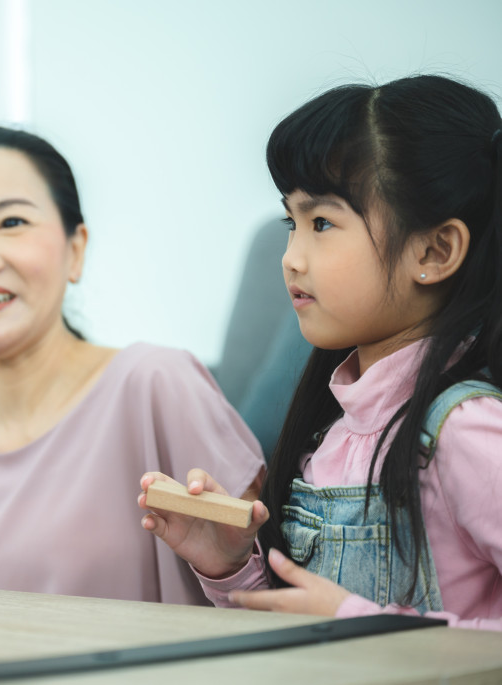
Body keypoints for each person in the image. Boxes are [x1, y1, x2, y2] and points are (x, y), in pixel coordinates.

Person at [139, 74, 502, 629]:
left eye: (322, 222)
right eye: (293, 222)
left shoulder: (467, 432)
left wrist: (360, 620)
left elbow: (342, 624)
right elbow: (304, 631)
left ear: (435, 249)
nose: (290, 257)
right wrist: (232, 565)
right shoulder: (332, 429)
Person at [0, 127, 265, 605]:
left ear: (76, 249)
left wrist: (230, 569)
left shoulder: (156, 384)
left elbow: (275, 613)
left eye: (11, 222)